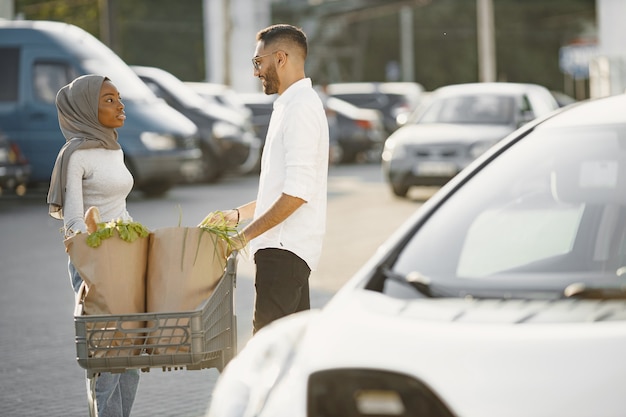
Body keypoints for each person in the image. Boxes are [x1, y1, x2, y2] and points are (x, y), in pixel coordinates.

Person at [208, 24, 329, 334]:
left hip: (283, 251)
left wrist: (242, 237)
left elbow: (298, 193)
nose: (256, 71)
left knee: (267, 349)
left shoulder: (299, 108)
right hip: (284, 250)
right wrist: (238, 214)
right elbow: (284, 188)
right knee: (289, 350)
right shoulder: (290, 105)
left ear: (280, 58)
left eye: (258, 62)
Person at [47, 74, 139, 417]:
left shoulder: (111, 147)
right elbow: (73, 220)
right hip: (94, 261)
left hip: (126, 255)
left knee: (130, 352)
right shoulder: (75, 154)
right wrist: (94, 258)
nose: (120, 105)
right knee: (106, 354)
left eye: (119, 97)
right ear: (87, 108)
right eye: (109, 100)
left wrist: (137, 238)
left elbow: (119, 205)